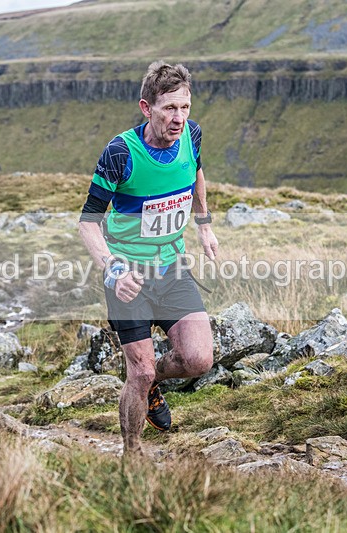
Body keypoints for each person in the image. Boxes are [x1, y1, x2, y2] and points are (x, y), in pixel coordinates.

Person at [79, 61, 220, 456]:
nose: (179, 118)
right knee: (139, 371)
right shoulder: (121, 152)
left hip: (173, 268)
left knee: (198, 359)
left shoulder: (191, 135)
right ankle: (132, 455)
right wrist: (112, 269)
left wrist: (204, 224)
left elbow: (196, 172)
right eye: (169, 109)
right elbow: (88, 223)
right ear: (147, 108)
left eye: (185, 107)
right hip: (129, 277)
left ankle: (153, 379)